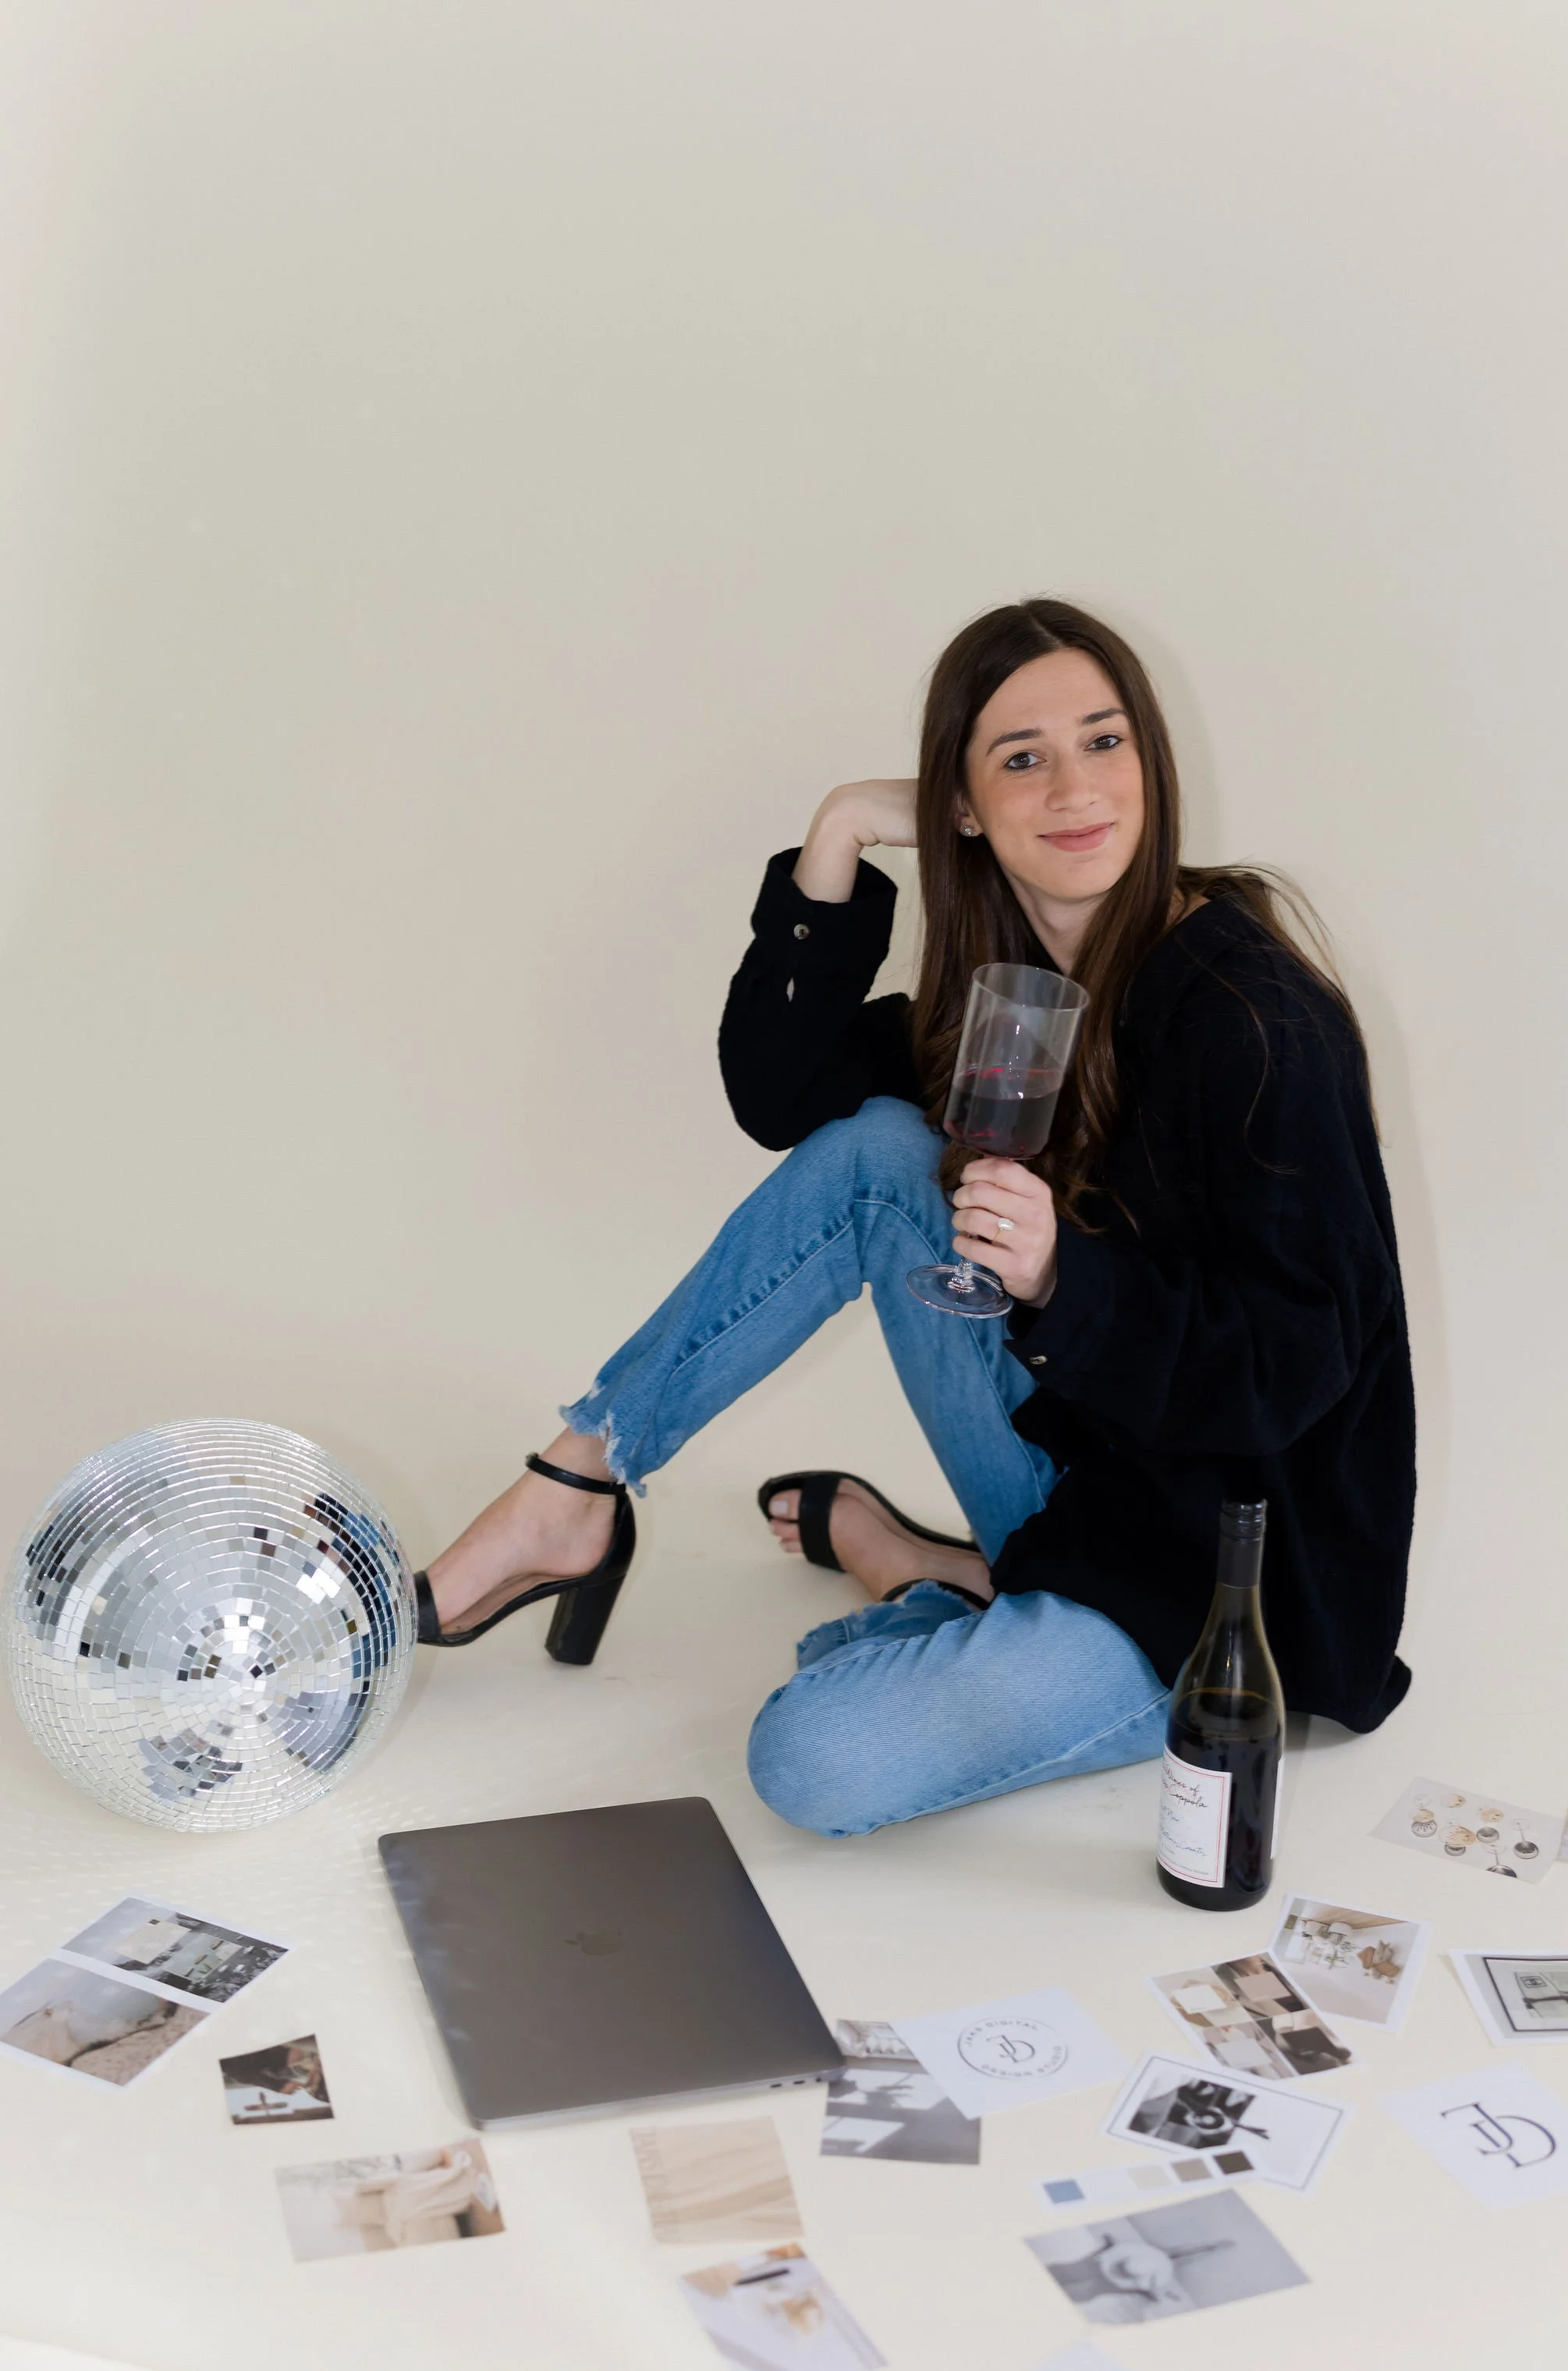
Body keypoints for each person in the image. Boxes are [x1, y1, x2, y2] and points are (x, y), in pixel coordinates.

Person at [414, 598, 1415, 1837]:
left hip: (1212, 1575)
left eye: (1105, 742)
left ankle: (942, 1575)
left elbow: (1299, 1367)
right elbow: (780, 1098)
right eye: (1020, 758)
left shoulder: (1259, 1022)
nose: (1074, 789)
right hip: (1077, 1471)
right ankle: (578, 1479)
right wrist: (839, 832)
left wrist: (1061, 1278)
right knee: (882, 1150)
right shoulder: (1008, 1001)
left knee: (813, 1760)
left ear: (1152, 758)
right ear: (961, 802)